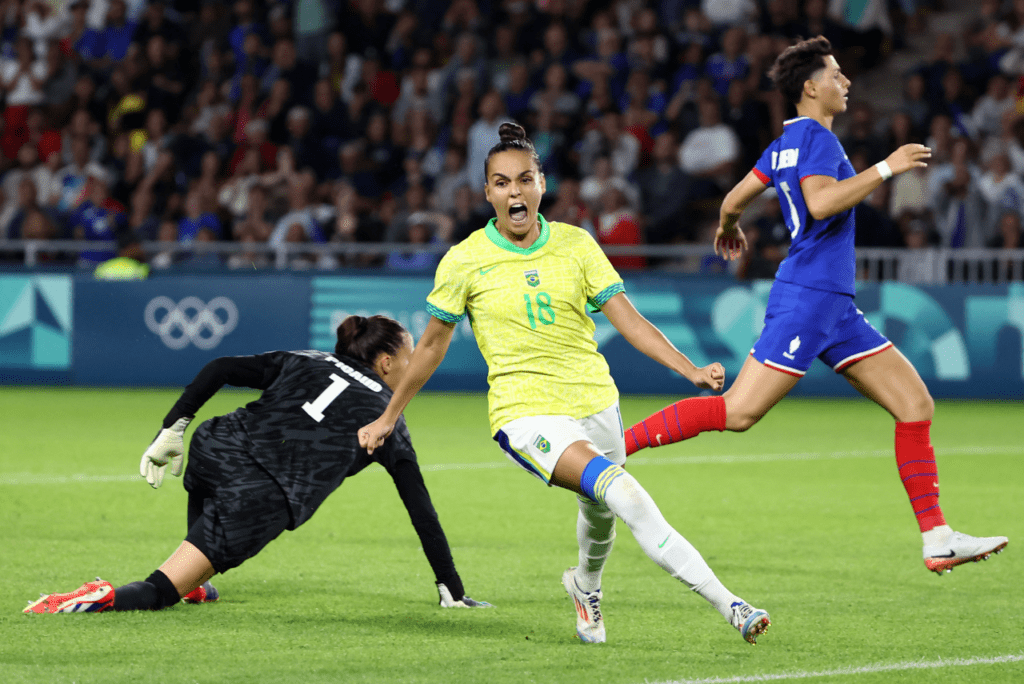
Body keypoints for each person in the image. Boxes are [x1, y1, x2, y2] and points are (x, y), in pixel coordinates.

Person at [359, 123, 770, 646]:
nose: (515, 191)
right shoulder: (464, 260)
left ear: (541, 184)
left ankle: (584, 585)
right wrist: (388, 415)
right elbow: (433, 345)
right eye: (502, 183)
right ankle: (730, 604)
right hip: (525, 414)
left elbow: (630, 320)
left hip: (596, 400)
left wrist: (687, 369)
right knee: (625, 494)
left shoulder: (576, 245)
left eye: (524, 180)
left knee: (602, 517)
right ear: (487, 193)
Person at [623, 37, 1008, 575]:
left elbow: (734, 200)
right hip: (808, 300)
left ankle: (938, 536)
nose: (845, 82)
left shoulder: (783, 144)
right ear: (811, 87)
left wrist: (729, 227)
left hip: (835, 309)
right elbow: (821, 203)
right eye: (836, 74)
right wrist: (887, 169)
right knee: (738, 413)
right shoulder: (822, 143)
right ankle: (616, 449)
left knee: (915, 406)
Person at [24, 316, 489, 614]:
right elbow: (420, 509)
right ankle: (99, 597)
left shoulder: (308, 358)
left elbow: (221, 367)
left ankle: (196, 582)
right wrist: (451, 586)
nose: (414, 365)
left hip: (214, 444)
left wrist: (173, 427)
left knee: (206, 490)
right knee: (157, 592)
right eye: (410, 355)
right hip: (260, 496)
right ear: (387, 363)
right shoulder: (388, 417)